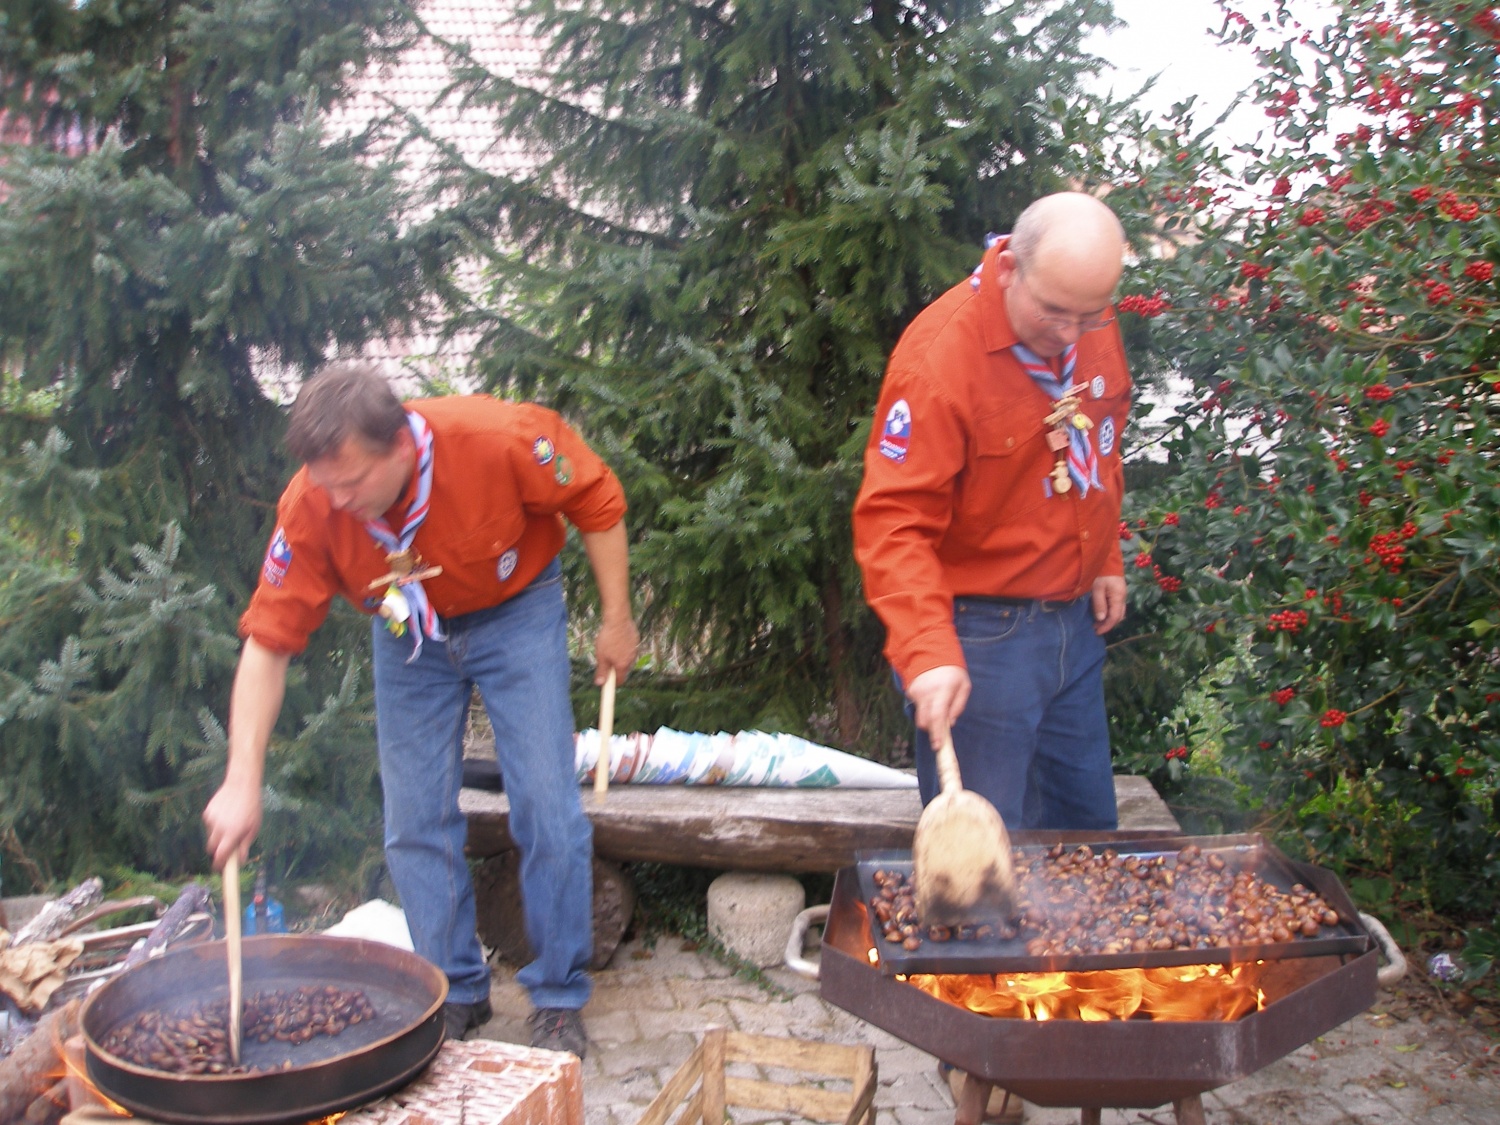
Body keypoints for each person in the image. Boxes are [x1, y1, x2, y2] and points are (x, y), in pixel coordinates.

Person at [203, 362, 638, 1057]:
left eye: (351, 482)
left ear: (402, 446)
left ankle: (557, 995)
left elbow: (598, 500)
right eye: (325, 482)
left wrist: (616, 619)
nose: (336, 498)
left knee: (549, 811)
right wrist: (241, 779)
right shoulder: (312, 502)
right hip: (407, 629)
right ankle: (455, 990)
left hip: (515, 612)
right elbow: (267, 643)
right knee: (412, 821)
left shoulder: (501, 438)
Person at [853, 191, 1131, 834]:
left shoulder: (1090, 312)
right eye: (1055, 312)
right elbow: (893, 523)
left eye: (1089, 317)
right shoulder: (938, 361)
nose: (1071, 335)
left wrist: (1105, 555)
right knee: (989, 869)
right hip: (982, 640)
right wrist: (926, 650)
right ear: (1007, 267)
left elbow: (1101, 435)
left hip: (1075, 631)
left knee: (1087, 844)